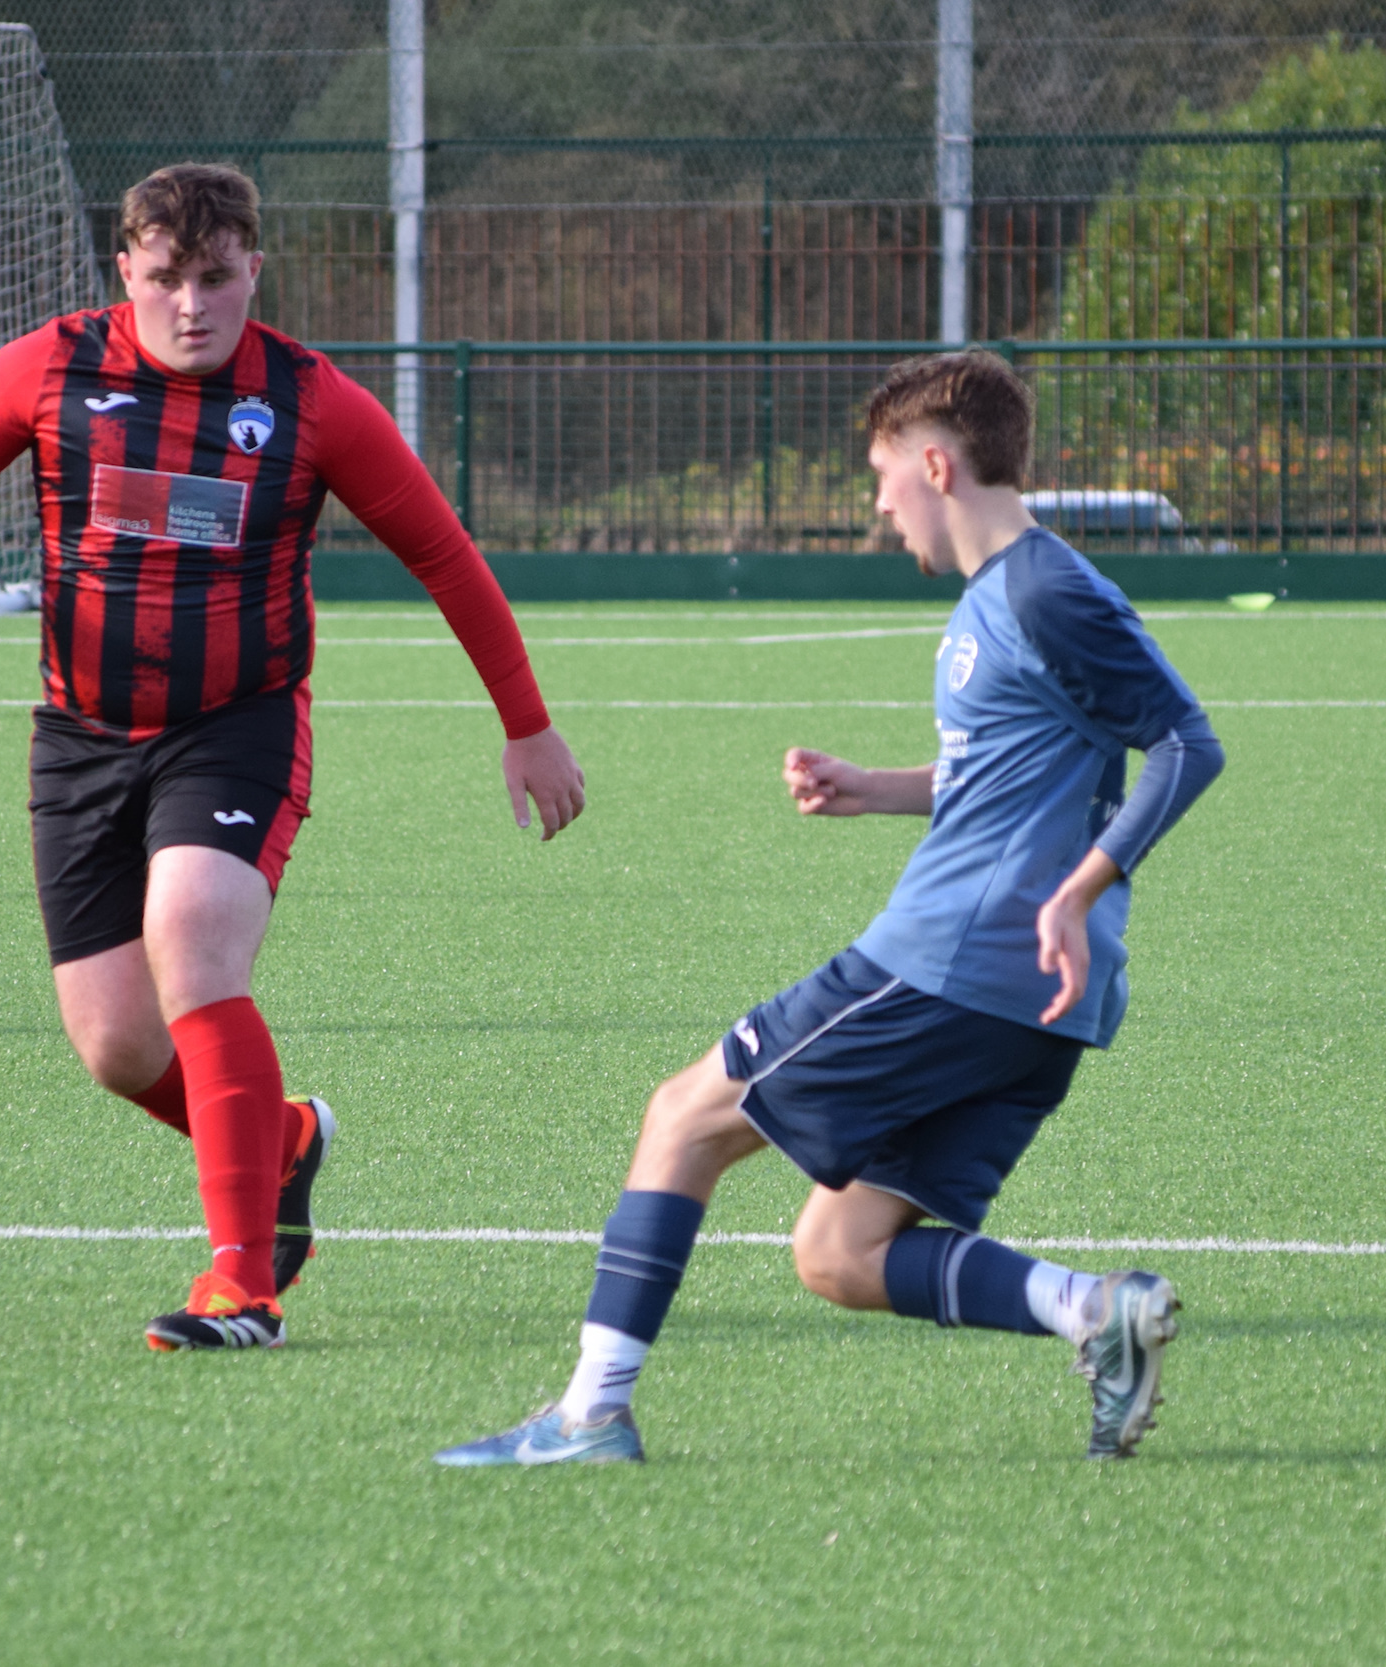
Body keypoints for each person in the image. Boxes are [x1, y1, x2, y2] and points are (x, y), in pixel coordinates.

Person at [0, 163, 587, 1352]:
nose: (193, 303)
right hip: (79, 736)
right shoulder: (51, 369)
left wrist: (525, 719)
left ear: (254, 272)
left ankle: (245, 1282)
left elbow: (444, 555)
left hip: (235, 725)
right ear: (125, 267)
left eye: (217, 277)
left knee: (193, 941)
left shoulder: (311, 398)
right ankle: (280, 1141)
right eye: (168, 276)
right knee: (118, 1045)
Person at [436, 350, 1225, 1466]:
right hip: (1038, 1000)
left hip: (950, 962)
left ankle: (587, 1415)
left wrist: (1079, 885)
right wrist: (874, 789)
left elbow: (1187, 744)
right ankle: (1098, 1313)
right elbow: (1020, 774)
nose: (876, 500)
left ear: (938, 465)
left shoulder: (1044, 589)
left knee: (680, 1119)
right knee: (840, 1251)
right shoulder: (1004, 598)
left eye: (881, 473)